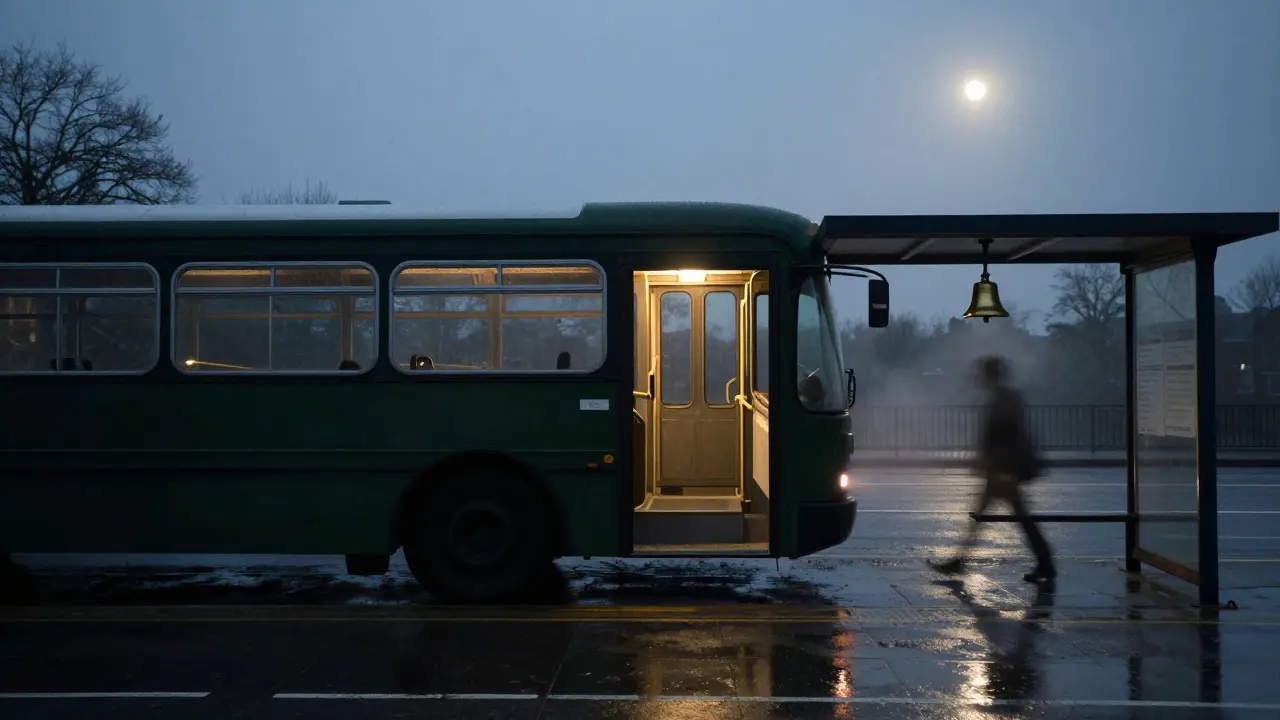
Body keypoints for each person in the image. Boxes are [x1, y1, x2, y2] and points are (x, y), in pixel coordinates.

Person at [930, 355, 1056, 583]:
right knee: (1012, 518)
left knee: (1003, 518)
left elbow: (1005, 435)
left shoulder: (1002, 400)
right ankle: (1044, 561)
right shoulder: (1006, 397)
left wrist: (1000, 468)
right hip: (1002, 469)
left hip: (1002, 470)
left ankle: (959, 562)